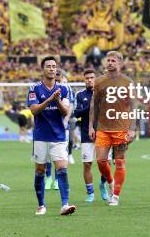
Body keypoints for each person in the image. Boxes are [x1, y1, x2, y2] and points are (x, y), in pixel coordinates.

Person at [29, 56, 75, 216]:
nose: (52, 68)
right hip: (41, 136)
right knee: (40, 171)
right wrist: (50, 99)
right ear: (43, 69)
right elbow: (34, 110)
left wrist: (57, 101)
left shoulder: (64, 89)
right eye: (48, 66)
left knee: (62, 169)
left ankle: (65, 204)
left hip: (59, 136)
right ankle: (41, 205)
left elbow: (65, 112)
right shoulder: (34, 88)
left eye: (54, 66)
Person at [89, 51, 137, 207]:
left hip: (121, 128)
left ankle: (115, 195)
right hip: (103, 128)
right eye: (108, 60)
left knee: (120, 162)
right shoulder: (99, 81)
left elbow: (133, 106)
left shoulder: (128, 82)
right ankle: (111, 181)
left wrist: (132, 128)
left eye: (113, 61)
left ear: (120, 63)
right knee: (101, 161)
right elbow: (93, 106)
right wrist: (91, 126)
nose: (110, 63)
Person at [74, 68, 108, 202]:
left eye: (92, 77)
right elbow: (76, 113)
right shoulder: (80, 95)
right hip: (86, 133)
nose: (89, 80)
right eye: (87, 78)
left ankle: (103, 185)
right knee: (87, 164)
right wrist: (92, 106)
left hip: (103, 132)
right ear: (84, 80)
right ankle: (90, 193)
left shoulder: (104, 93)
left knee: (104, 163)